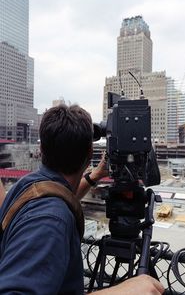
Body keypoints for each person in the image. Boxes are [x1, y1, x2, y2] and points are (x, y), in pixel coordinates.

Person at [0, 104, 164, 295]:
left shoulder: (29, 186)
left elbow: (60, 195)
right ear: (89, 154)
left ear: (42, 149)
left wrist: (95, 175)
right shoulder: (50, 220)